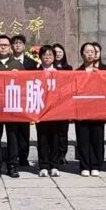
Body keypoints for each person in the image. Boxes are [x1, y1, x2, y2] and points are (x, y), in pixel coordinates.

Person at [0, 35, 25, 179]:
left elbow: (25, 86)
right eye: (0, 45)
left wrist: (19, 77)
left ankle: (12, 166)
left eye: (5, 45)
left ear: (10, 47)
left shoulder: (17, 65)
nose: (3, 47)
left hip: (12, 106)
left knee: (13, 137)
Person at [76, 42, 106, 176]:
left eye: (92, 52)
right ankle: (84, 166)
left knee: (97, 138)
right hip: (82, 111)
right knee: (83, 139)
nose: (90, 54)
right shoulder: (77, 72)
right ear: (82, 54)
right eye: (87, 51)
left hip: (97, 110)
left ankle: (95, 165)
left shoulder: (102, 72)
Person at [34, 46, 65, 177]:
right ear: (40, 57)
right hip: (40, 110)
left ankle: (54, 165)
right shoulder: (34, 72)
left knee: (55, 139)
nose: (47, 57)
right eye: (45, 55)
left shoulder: (60, 72)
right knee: (42, 139)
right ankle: (43, 166)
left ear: (54, 57)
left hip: (56, 111)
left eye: (50, 55)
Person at [11, 35, 38, 168]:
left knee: (24, 130)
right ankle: (13, 156)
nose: (17, 45)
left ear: (24, 46)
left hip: (25, 99)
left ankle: (23, 156)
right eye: (15, 43)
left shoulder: (31, 63)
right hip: (11, 99)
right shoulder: (7, 62)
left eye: (20, 43)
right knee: (12, 130)